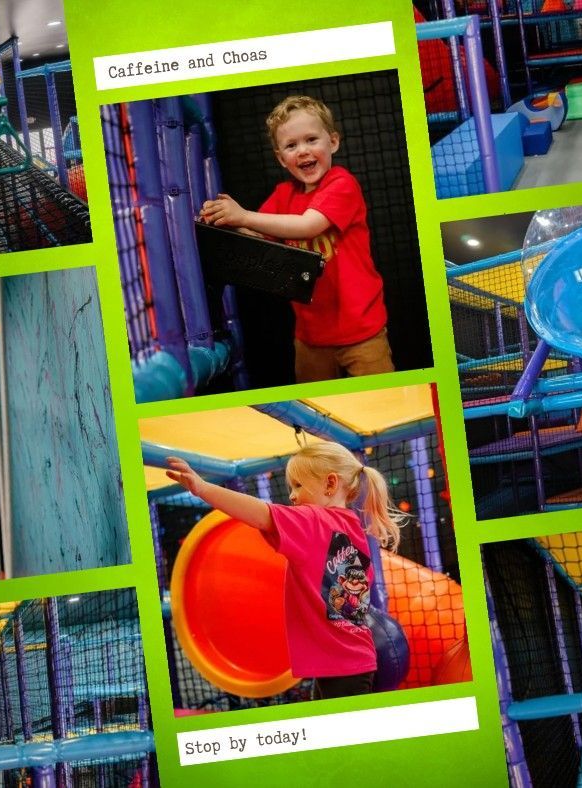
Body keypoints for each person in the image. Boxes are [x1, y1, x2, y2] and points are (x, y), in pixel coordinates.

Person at [166, 442, 405, 700]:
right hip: (353, 660)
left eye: (298, 486)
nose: (292, 495)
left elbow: (258, 513)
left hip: (339, 666)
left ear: (330, 484)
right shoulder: (351, 526)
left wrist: (203, 489)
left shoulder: (314, 520)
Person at [200, 95, 393, 383]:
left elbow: (309, 225)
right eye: (291, 145)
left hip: (361, 330)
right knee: (315, 408)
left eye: (312, 140)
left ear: (333, 142)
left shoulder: (341, 184)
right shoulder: (283, 195)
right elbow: (255, 237)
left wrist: (242, 216)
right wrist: (221, 220)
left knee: (382, 400)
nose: (303, 151)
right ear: (281, 158)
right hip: (311, 336)